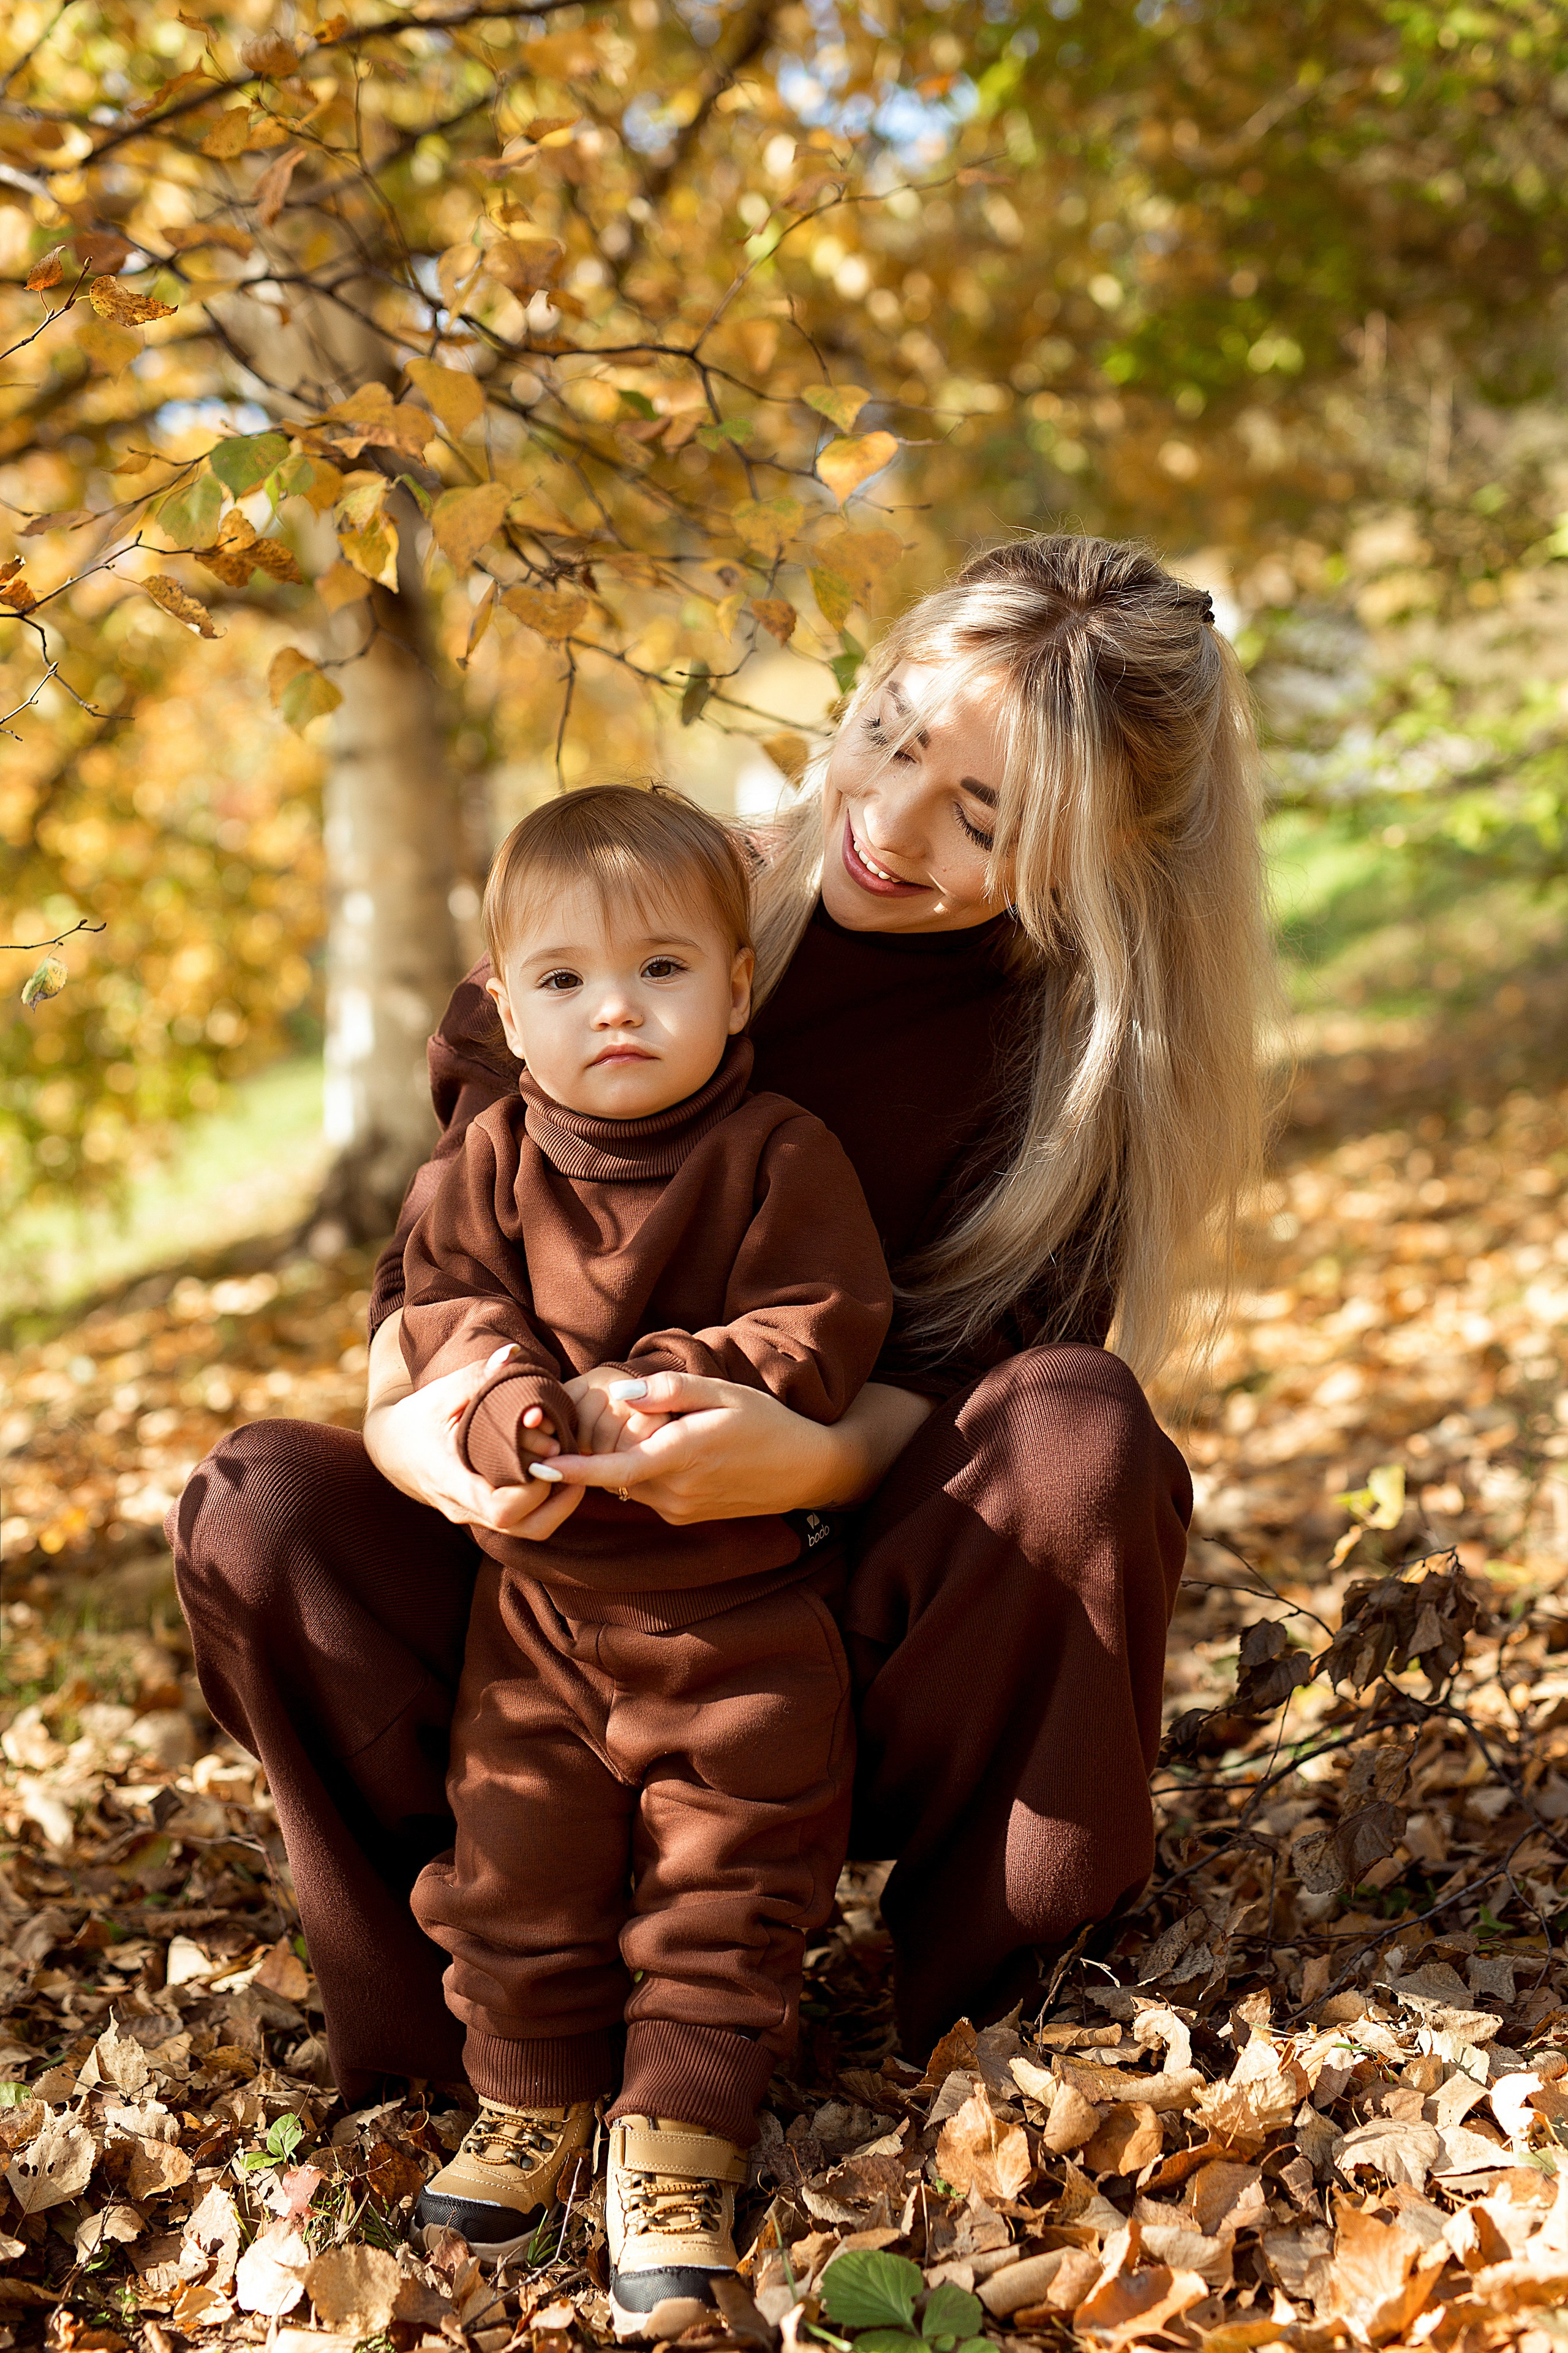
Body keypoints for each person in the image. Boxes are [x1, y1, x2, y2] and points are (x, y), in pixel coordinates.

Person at [170, 531, 1270, 2257]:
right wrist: (433, 1442)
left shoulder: (1073, 1071)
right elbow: (427, 1294)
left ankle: (998, 2008)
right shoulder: (637, 915)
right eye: (894, 733)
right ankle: (459, 2045)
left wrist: (804, 1455)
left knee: (1083, 1432)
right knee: (258, 1501)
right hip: (537, 1596)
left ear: (1107, 851)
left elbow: (997, 1395)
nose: (893, 822)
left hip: (831, 1629)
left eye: (985, 817)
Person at [395, 784, 892, 2332]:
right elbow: (443, 1315)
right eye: (563, 980)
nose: (615, 1007)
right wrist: (500, 1410)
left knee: (727, 1873)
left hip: (740, 1615)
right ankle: (531, 2093)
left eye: (663, 969)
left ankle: (678, 2135)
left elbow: (821, 1319)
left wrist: (678, 1372)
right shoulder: (481, 1163)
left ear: (736, 986)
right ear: (504, 1008)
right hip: (538, 1618)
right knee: (514, 1860)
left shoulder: (774, 1149)